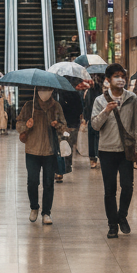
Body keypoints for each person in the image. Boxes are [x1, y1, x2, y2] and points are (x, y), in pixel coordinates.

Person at [91, 64, 137, 239]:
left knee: (127, 186)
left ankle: (122, 215)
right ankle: (112, 225)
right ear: (108, 80)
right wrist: (106, 111)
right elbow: (95, 125)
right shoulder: (100, 101)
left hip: (126, 151)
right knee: (109, 189)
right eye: (116, 76)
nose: (120, 79)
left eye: (123, 76)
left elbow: (136, 126)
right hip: (106, 150)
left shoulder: (132, 98)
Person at [18, 87, 66, 224]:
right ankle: (34, 207)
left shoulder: (56, 106)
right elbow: (19, 123)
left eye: (48, 89)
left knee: (48, 183)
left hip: (50, 150)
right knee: (32, 181)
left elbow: (64, 126)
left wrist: (57, 125)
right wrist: (26, 125)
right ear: (37, 90)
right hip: (32, 150)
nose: (45, 92)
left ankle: (46, 212)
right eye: (42, 89)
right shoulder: (29, 106)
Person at [56, 87, 84, 182]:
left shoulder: (68, 93)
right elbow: (80, 109)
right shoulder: (54, 93)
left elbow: (79, 109)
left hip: (67, 124)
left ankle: (61, 170)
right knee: (62, 146)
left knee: (63, 146)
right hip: (62, 124)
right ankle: (61, 169)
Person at [83, 73, 103, 169]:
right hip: (90, 117)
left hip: (98, 117)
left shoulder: (99, 90)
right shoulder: (87, 91)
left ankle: (98, 156)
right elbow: (86, 105)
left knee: (98, 137)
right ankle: (92, 158)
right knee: (91, 138)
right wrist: (85, 118)